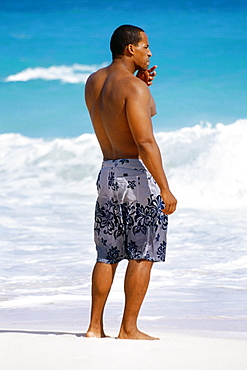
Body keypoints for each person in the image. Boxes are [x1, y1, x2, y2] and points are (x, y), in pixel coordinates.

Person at [85, 24, 177, 340]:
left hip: (107, 172)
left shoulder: (94, 82)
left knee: (106, 253)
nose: (149, 52)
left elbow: (134, 113)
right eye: (145, 47)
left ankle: (94, 327)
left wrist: (142, 85)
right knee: (143, 252)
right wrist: (164, 187)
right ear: (130, 49)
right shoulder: (134, 89)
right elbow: (145, 141)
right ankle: (128, 328)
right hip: (135, 177)